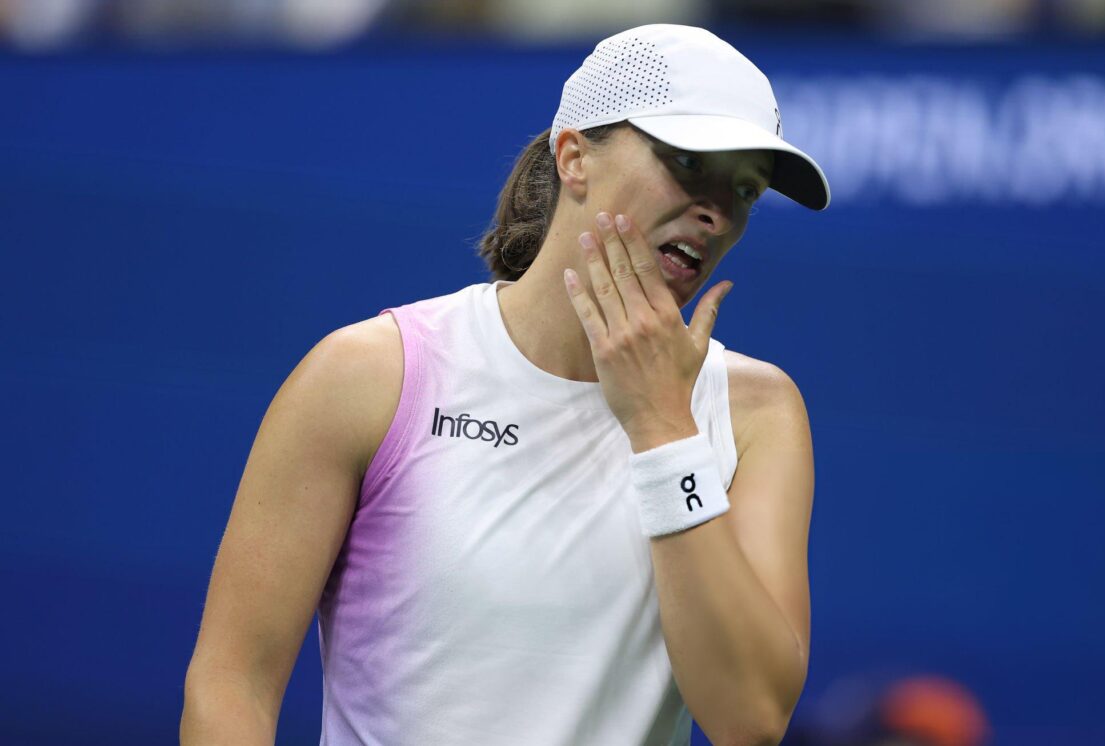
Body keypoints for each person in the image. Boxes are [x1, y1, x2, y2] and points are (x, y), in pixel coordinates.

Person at [180, 23, 829, 746]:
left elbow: (750, 719)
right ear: (574, 157)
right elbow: (231, 683)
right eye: (687, 163)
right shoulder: (368, 376)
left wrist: (662, 429)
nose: (718, 212)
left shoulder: (756, 413)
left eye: (745, 189)